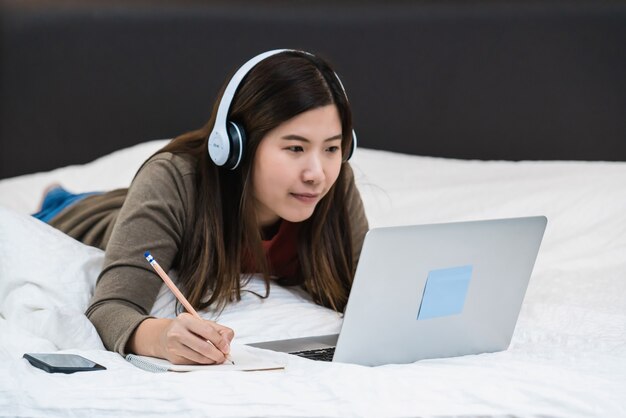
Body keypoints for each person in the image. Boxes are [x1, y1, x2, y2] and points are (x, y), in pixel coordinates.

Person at [36, 49, 369, 365]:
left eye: (331, 148)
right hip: (82, 216)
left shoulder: (335, 184)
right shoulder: (174, 179)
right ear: (236, 144)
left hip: (148, 202)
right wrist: (161, 336)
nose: (317, 174)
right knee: (68, 203)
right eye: (295, 148)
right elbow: (111, 307)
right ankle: (58, 196)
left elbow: (370, 296)